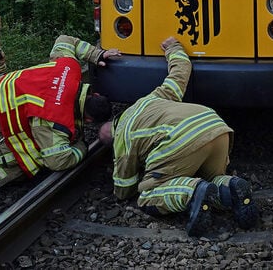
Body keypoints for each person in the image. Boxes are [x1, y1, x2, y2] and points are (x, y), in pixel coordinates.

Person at [98, 36, 259, 237]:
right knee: (210, 178)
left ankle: (192, 192)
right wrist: (174, 48)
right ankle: (231, 188)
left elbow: (124, 189)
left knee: (147, 195)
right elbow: (179, 74)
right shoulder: (150, 99)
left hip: (183, 138)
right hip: (215, 126)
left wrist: (138, 179)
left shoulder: (122, 136)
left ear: (113, 136)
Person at [0, 35, 116, 195]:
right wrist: (82, 146)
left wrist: (96, 54)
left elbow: (65, 40)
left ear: (94, 94)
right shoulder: (54, 119)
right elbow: (58, 161)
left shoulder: (69, 69)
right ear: (88, 119)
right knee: (5, 171)